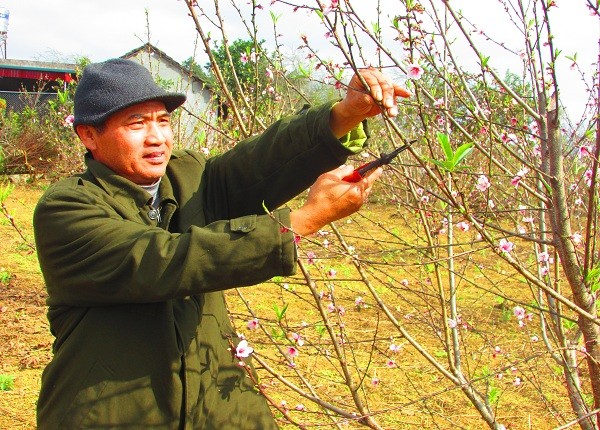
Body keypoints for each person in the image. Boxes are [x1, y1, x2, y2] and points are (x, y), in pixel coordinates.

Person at [33, 58, 410, 429]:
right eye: (136, 124)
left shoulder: (188, 174)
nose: (156, 137)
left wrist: (344, 114)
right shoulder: (66, 208)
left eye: (163, 121)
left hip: (215, 400)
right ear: (88, 135)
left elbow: (259, 164)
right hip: (111, 412)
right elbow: (163, 260)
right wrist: (303, 220)